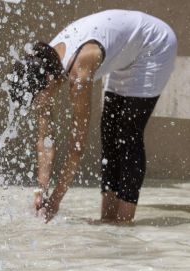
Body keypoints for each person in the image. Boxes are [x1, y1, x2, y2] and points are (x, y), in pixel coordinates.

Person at [10, 9, 177, 223]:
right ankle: (108, 220)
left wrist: (56, 202)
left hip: (154, 45)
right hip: (126, 53)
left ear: (50, 82)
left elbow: (77, 145)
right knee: (109, 133)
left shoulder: (78, 72)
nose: (38, 105)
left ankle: (123, 224)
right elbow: (45, 141)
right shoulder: (42, 66)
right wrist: (41, 191)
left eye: (37, 99)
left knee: (127, 133)